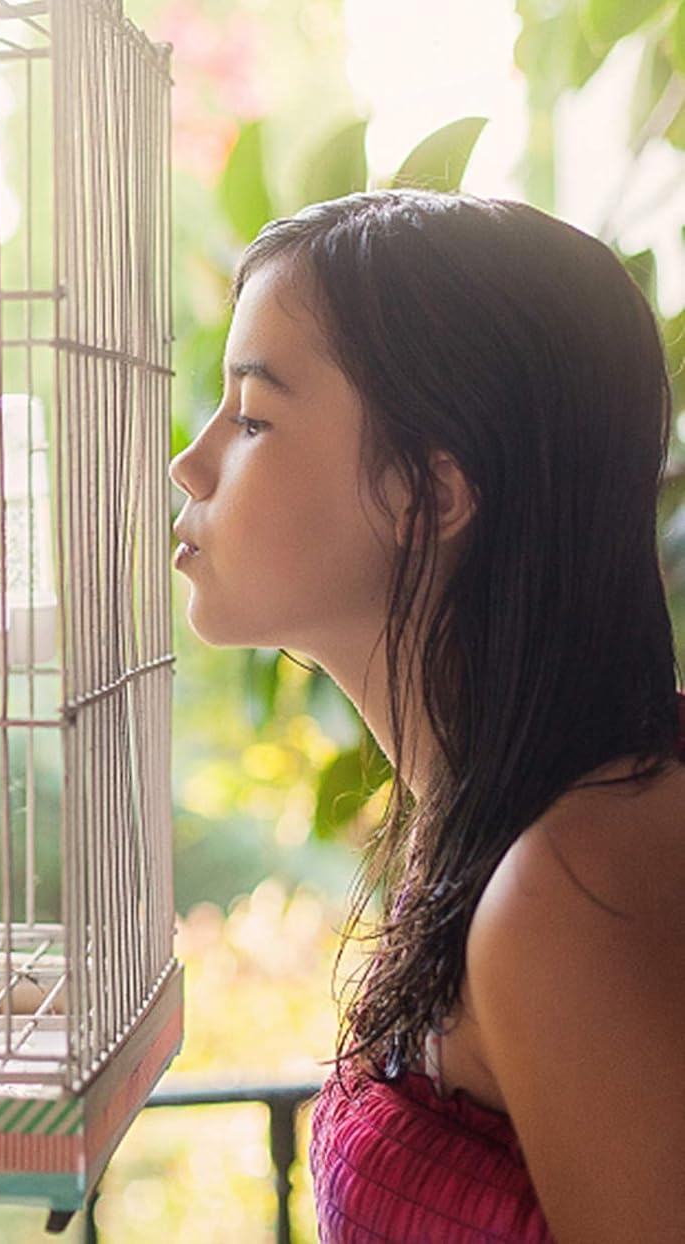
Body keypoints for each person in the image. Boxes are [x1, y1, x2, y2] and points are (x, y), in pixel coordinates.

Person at [168, 190, 685, 1243]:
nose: (194, 461)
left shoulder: (568, 888)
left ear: (431, 491)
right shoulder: (494, 818)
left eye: (256, 415)